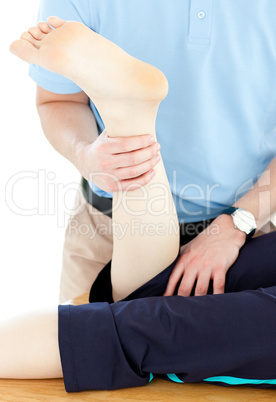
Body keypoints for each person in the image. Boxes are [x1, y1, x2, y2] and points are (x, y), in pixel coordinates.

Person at [5, 14, 276, 393]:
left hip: (244, 228)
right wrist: (86, 154)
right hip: (108, 226)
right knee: (137, 328)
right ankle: (130, 113)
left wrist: (238, 221)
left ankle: (129, 113)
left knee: (139, 317)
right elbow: (55, 100)